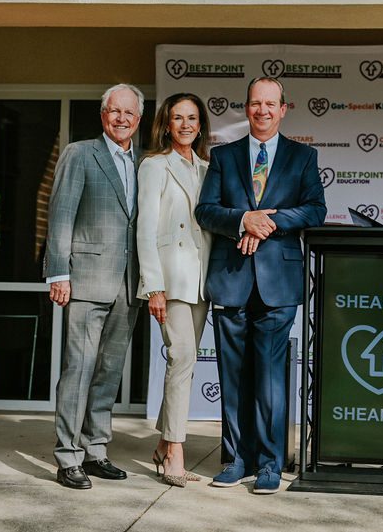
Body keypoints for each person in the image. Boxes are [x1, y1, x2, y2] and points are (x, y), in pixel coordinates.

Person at [195, 76, 326, 495]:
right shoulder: (224, 156)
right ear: (246, 108)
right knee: (232, 377)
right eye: (255, 103)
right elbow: (206, 211)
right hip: (231, 279)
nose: (263, 111)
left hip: (278, 282)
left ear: (284, 109)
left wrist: (265, 223)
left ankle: (270, 464)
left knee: (271, 377)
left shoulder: (303, 156)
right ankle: (237, 459)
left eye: (271, 104)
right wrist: (241, 220)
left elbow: (315, 210)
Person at [44, 83, 144, 490]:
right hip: (86, 280)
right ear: (103, 114)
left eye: (129, 113)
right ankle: (68, 457)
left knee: (108, 372)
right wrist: (58, 273)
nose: (121, 119)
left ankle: (96, 449)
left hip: (129, 282)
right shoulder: (80, 153)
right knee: (79, 369)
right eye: (114, 111)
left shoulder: (145, 163)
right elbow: (61, 214)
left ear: (138, 120)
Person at [137, 93, 213, 488]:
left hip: (201, 281)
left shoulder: (206, 168)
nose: (185, 124)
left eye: (193, 118)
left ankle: (163, 442)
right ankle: (175, 454)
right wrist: (154, 287)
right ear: (166, 123)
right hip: (171, 278)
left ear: (201, 125)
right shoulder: (154, 166)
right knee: (181, 357)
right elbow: (145, 230)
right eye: (178, 118)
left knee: (185, 362)